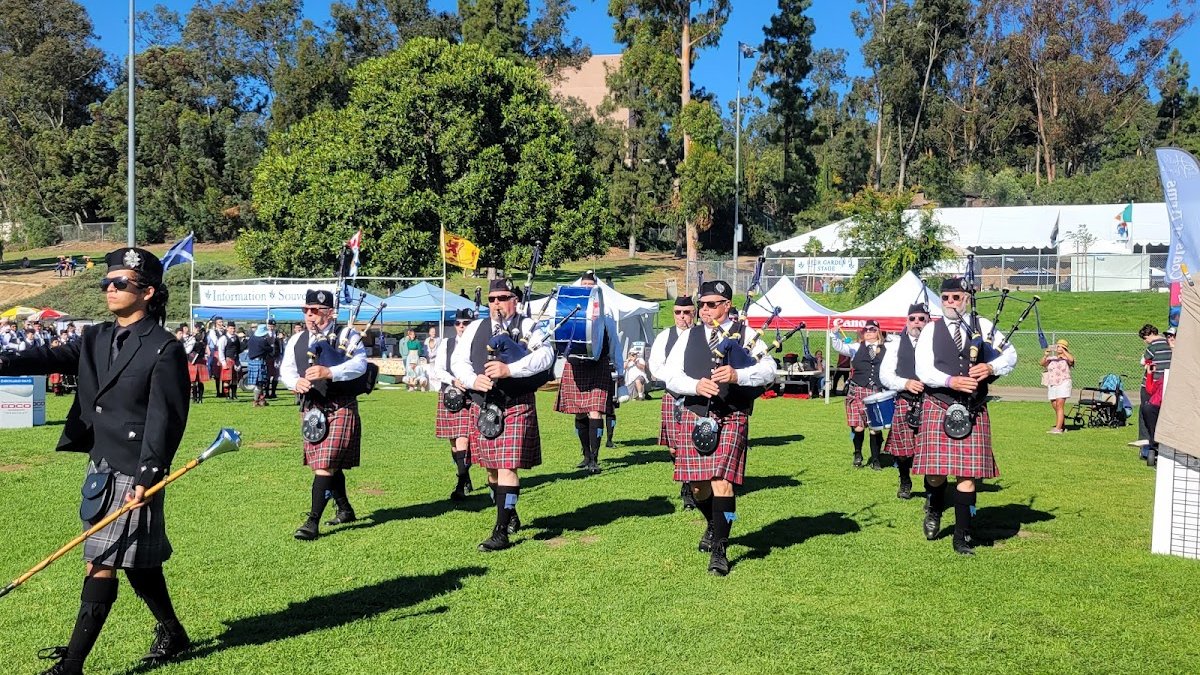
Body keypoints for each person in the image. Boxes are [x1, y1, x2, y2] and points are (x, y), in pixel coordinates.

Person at [1, 247, 191, 674]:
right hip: (100, 465)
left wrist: (150, 473)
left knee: (101, 561)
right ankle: (173, 631)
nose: (110, 288)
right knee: (134, 561)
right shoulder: (96, 337)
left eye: (120, 283)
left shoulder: (163, 348)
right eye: (107, 282)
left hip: (135, 466)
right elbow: (46, 358)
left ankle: (71, 665)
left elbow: (167, 418)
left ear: (147, 292)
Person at [659, 279, 776, 575]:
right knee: (698, 487)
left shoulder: (746, 333)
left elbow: (769, 369)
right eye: (703, 305)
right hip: (696, 415)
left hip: (732, 414)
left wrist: (738, 375)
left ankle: (721, 548)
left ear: (727, 306)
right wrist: (695, 385)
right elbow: (668, 375)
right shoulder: (689, 336)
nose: (705, 310)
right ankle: (713, 523)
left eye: (713, 304)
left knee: (722, 483)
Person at [914, 277, 1017, 556]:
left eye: (956, 297)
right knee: (935, 474)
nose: (950, 303)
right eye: (945, 298)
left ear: (967, 299)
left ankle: (962, 536)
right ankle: (934, 506)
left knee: (967, 475)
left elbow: (1011, 354)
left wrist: (991, 366)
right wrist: (951, 381)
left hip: (974, 408)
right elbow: (923, 370)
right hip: (939, 404)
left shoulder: (983, 326)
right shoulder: (929, 331)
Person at [450, 278, 554, 552]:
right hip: (484, 405)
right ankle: (509, 513)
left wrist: (511, 370)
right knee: (492, 470)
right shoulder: (475, 328)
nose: (497, 303)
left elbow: (546, 356)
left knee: (507, 466)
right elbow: (458, 361)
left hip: (516, 403)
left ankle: (500, 532)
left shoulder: (529, 326)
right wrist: (473, 380)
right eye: (492, 299)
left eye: (503, 297)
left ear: (514, 300)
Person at [279, 289, 369, 540]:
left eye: (315, 311)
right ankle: (344, 508)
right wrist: (294, 382)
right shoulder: (297, 340)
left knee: (325, 463)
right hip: (311, 408)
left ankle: (312, 521)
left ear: (329, 312)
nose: (309, 315)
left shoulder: (347, 335)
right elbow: (285, 369)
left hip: (340, 404)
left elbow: (359, 365)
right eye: (306, 310)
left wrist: (330, 372)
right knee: (327, 464)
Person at [554, 271, 623, 474]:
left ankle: (594, 457)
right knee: (579, 412)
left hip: (598, 365)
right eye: (583, 283)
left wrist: (619, 369)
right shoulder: (568, 311)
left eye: (589, 284)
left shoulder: (605, 314)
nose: (586, 287)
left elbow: (614, 344)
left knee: (595, 411)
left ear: (595, 287)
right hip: (575, 365)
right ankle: (585, 454)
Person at [648, 296, 698, 509]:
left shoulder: (702, 335)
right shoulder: (664, 337)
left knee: (693, 445)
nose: (682, 317)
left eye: (686, 312)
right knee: (674, 448)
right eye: (678, 312)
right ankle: (686, 480)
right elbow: (655, 366)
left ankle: (689, 489)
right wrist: (676, 379)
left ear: (693, 313)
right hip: (672, 395)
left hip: (696, 397)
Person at [880, 303, 931, 499]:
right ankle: (905, 480)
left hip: (932, 402)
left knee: (929, 450)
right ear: (907, 321)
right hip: (905, 400)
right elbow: (885, 376)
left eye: (921, 319)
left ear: (928, 321)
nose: (916, 322)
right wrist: (905, 383)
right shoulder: (895, 345)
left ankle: (930, 489)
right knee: (902, 452)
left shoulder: (937, 344)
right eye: (912, 319)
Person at [429, 309, 476, 500]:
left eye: (465, 323)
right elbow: (438, 369)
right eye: (458, 323)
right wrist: (454, 381)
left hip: (471, 394)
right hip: (450, 393)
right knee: (453, 442)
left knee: (463, 439)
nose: (461, 326)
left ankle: (460, 483)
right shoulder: (446, 344)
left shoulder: (477, 343)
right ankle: (465, 476)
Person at [832, 320, 888, 470]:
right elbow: (839, 346)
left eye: (872, 329)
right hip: (857, 389)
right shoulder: (856, 347)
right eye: (866, 329)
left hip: (876, 391)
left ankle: (876, 459)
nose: (869, 332)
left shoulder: (887, 349)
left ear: (878, 332)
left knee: (874, 428)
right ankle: (858, 453)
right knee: (858, 427)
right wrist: (835, 333)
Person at [1134, 324, 1172, 451]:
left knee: (1145, 409)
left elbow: (1142, 362)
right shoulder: (1170, 344)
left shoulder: (1153, 346)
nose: (1145, 341)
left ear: (1150, 334)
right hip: (1166, 382)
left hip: (1152, 383)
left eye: (1145, 338)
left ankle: (1145, 438)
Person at [1040, 338, 1075, 434]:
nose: (1058, 348)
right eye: (1057, 346)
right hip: (1052, 383)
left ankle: (1058, 428)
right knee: (1055, 405)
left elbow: (1071, 360)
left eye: (1060, 346)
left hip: (1063, 382)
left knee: (1059, 404)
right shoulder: (1052, 358)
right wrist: (1046, 354)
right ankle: (1062, 425)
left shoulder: (1067, 358)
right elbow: (1042, 363)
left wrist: (1063, 351)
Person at [246, 323, 272, 406]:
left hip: (252, 361)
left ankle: (262, 400)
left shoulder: (251, 338)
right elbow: (270, 349)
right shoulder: (262, 341)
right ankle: (256, 401)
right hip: (259, 361)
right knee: (259, 383)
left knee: (259, 383)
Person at [184, 322, 207, 403]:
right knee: (193, 381)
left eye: (195, 328)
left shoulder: (202, 337)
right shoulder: (193, 337)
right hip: (194, 360)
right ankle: (195, 398)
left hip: (198, 359)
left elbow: (199, 343)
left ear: (197, 328)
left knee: (199, 381)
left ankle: (199, 398)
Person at [205, 317, 225, 398]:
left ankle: (224, 391)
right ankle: (218, 392)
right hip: (217, 352)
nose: (221, 323)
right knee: (217, 374)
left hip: (224, 352)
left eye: (222, 322)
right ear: (216, 323)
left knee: (224, 372)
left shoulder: (225, 331)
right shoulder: (213, 332)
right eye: (219, 322)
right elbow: (216, 342)